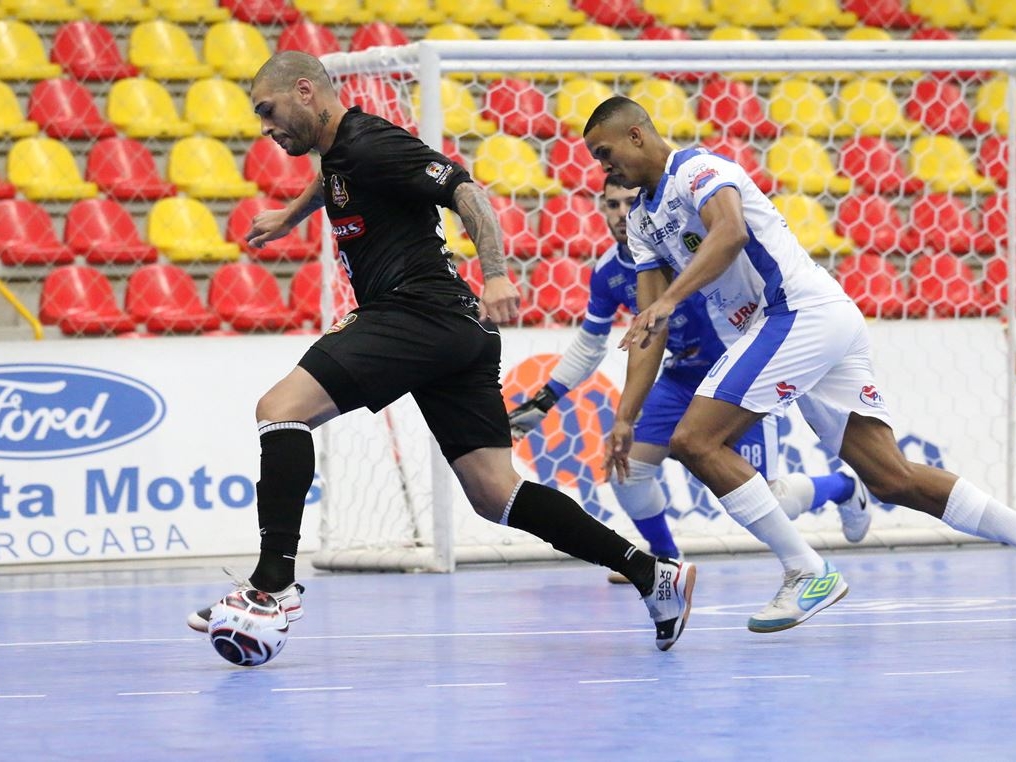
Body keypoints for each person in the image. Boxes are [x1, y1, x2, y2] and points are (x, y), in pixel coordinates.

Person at [186, 52, 695, 653]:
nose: (265, 128)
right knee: (494, 493)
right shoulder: (343, 155)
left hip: (415, 312)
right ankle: (653, 574)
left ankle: (274, 585)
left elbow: (463, 189)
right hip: (455, 331)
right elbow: (337, 182)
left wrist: (498, 273)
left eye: (268, 112)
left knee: (280, 409)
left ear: (305, 91)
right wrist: (292, 215)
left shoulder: (371, 142)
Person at [583, 96, 1016, 634]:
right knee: (892, 478)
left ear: (637, 136)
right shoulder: (645, 220)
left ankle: (808, 572)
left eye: (605, 152)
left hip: (796, 313)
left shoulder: (697, 169)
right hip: (810, 326)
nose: (603, 167)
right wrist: (626, 415)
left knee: (695, 441)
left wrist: (671, 297)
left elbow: (731, 232)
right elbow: (652, 325)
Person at [508, 177, 869, 585]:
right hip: (681, 377)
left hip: (742, 372)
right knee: (627, 470)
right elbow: (590, 346)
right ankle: (667, 561)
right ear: (602, 210)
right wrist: (539, 404)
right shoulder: (608, 271)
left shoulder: (687, 251)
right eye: (612, 205)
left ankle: (841, 486)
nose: (622, 213)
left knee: (768, 501)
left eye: (630, 202)